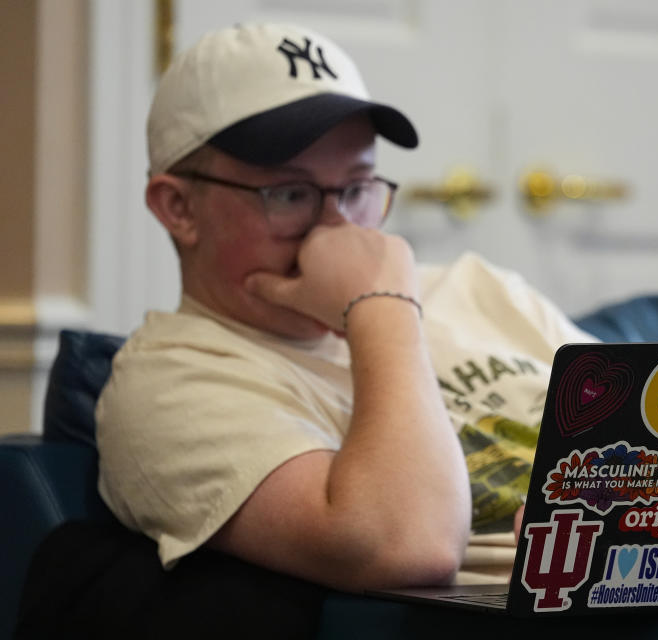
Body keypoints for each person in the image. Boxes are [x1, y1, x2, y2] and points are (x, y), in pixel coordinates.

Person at [95, 22, 596, 593]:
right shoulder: (170, 386)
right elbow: (410, 547)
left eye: (357, 188)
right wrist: (381, 306)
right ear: (178, 206)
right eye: (289, 193)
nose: (337, 231)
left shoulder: (473, 287)